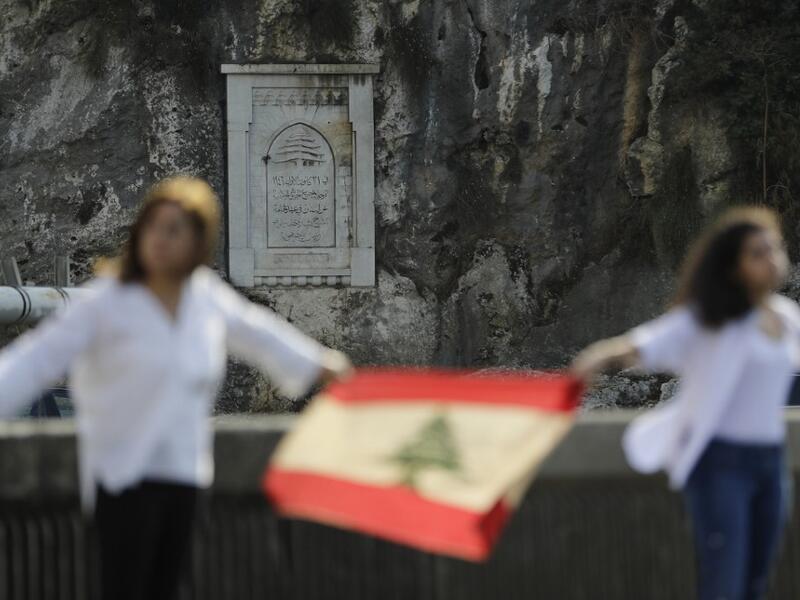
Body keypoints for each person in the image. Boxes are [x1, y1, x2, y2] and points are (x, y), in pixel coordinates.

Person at [0, 175, 353, 600]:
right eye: (153, 226)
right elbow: (36, 358)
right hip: (123, 476)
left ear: (198, 241)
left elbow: (262, 335)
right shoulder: (107, 302)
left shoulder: (206, 299)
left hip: (185, 476)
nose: (160, 239)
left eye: (174, 230)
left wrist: (322, 365)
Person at [571, 207, 798, 600]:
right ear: (732, 267)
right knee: (724, 585)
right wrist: (591, 362)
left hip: (770, 464)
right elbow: (639, 346)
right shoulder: (707, 319)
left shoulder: (788, 317)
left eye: (774, 249)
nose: (772, 259)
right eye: (757, 253)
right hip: (720, 463)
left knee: (756, 584)